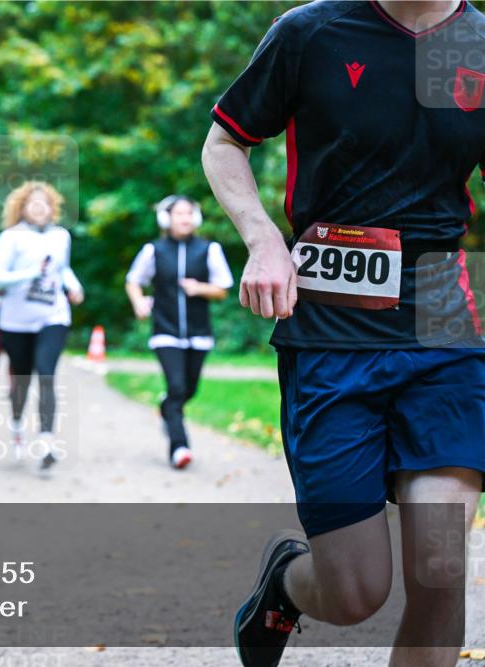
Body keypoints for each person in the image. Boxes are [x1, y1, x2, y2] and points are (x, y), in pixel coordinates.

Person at [202, 1, 484, 665]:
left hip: (445, 313)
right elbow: (225, 142)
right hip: (329, 320)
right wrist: (264, 239)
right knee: (356, 589)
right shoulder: (313, 32)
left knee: (441, 562)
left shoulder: (476, 43)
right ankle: (287, 583)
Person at [125, 195, 233, 470]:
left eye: (189, 213)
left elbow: (223, 289)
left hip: (199, 333)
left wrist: (200, 288)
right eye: (178, 214)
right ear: (166, 219)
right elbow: (134, 281)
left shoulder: (209, 250)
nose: (184, 218)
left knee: (188, 390)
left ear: (195, 219)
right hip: (165, 331)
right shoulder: (154, 250)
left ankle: (167, 406)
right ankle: (180, 447)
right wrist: (138, 301)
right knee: (176, 387)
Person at [0, 181, 84, 471]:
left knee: (46, 374)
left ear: (52, 208)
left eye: (45, 204)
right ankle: (17, 426)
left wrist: (74, 287)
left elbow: (62, 269)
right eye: (33, 204)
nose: (40, 208)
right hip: (15, 321)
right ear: (22, 208)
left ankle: (46, 440)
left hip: (52, 316)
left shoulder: (61, 236)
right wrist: (29, 274)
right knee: (22, 379)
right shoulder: (10, 238)